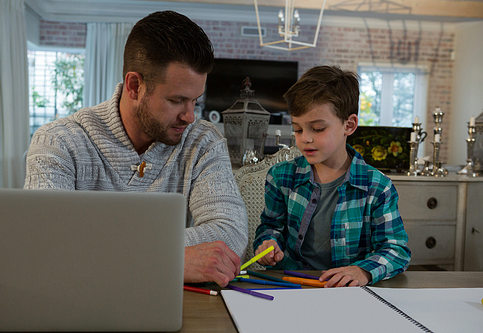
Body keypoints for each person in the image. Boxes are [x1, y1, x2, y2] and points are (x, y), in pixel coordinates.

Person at [24, 11, 248, 287]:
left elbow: (231, 235)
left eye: (195, 101)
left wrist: (98, 251)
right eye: (177, 100)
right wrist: (169, 259)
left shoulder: (203, 141)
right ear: (134, 86)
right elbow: (47, 243)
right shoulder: (57, 141)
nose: (189, 116)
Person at [253, 65, 411, 287]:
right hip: (289, 285)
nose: (305, 138)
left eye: (317, 129)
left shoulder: (377, 187)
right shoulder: (281, 177)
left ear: (349, 125)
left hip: (345, 290)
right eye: (298, 129)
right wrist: (268, 243)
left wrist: (363, 271)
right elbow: (270, 226)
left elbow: (396, 249)